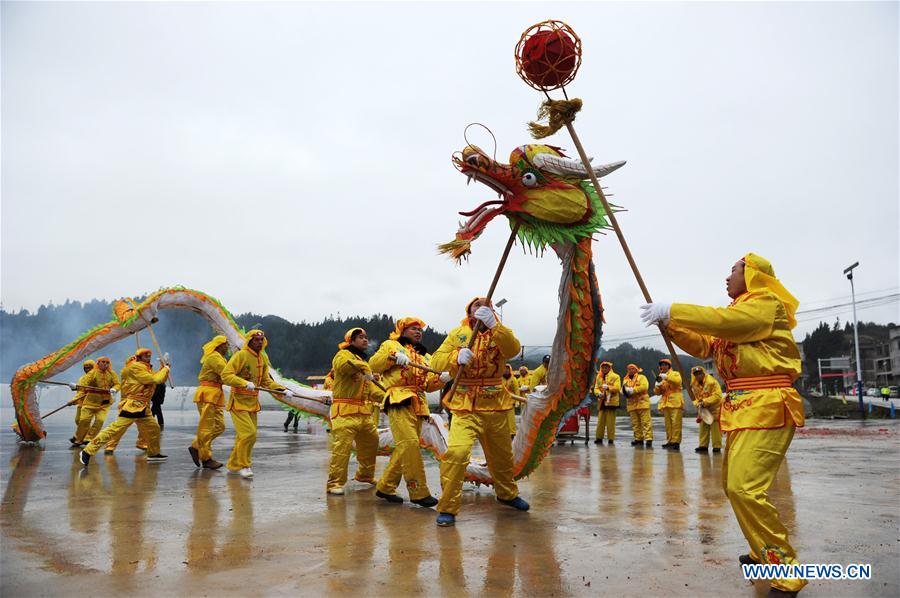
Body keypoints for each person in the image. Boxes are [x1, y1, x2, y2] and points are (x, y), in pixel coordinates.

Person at [641, 252, 807, 596]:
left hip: (767, 404)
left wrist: (673, 309)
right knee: (734, 486)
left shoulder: (765, 305)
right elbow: (707, 343)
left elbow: (720, 324)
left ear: (754, 275)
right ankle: (763, 553)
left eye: (733, 270)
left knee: (746, 487)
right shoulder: (740, 314)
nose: (727, 277)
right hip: (745, 408)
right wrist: (670, 326)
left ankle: (785, 567)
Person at [431, 297, 530, 527]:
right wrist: (455, 357)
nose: (483, 307)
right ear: (469, 311)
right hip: (465, 404)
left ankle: (507, 494)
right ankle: (447, 508)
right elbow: (436, 361)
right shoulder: (458, 334)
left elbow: (513, 349)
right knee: (456, 453)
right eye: (478, 305)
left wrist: (495, 327)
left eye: (488, 305)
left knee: (502, 456)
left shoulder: (501, 331)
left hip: (495, 402)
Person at [370, 317, 448, 507]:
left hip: (419, 404)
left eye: (420, 329)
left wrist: (443, 379)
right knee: (410, 444)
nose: (418, 332)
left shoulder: (425, 357)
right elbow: (373, 364)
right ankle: (418, 492)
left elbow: (428, 385)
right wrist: (393, 357)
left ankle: (386, 486)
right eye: (413, 329)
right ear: (403, 331)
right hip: (398, 398)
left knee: (407, 446)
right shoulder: (390, 344)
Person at [80, 348, 170, 466]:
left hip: (144, 407)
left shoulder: (145, 368)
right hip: (133, 405)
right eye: (145, 356)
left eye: (149, 356)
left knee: (154, 429)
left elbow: (159, 378)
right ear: (137, 358)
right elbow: (154, 379)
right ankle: (87, 451)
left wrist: (163, 367)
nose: (148, 357)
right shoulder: (135, 368)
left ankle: (153, 454)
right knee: (115, 429)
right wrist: (166, 369)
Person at [221, 329, 290, 479]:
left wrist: (283, 389)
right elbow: (226, 375)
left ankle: (233, 465)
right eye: (256, 340)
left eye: (261, 340)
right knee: (248, 434)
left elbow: (266, 381)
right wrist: (244, 383)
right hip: (238, 402)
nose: (259, 342)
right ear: (250, 341)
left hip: (252, 403)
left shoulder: (262, 359)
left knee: (244, 436)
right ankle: (245, 465)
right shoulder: (241, 356)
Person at [326, 327, 382, 495]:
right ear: (351, 341)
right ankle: (334, 483)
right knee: (342, 447)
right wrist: (364, 366)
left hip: (362, 411)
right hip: (344, 410)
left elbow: (371, 389)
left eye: (366, 337)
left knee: (372, 441)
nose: (365, 340)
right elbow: (343, 367)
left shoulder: (362, 362)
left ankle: (365, 475)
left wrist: (389, 398)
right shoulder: (343, 355)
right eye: (360, 337)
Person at [189, 335, 229, 469]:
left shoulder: (221, 358)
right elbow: (227, 374)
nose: (227, 346)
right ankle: (206, 459)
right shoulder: (214, 357)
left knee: (220, 426)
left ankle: (196, 446)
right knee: (206, 427)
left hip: (215, 394)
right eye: (226, 344)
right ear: (219, 345)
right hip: (208, 394)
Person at [104, 355, 149, 454]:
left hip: (140, 404)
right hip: (128, 404)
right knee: (121, 427)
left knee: (145, 426)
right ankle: (110, 446)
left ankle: (142, 443)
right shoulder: (126, 371)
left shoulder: (140, 371)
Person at [73, 356, 120, 446]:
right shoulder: (92, 373)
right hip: (90, 402)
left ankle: (88, 438)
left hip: (104, 403)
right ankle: (78, 439)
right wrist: (76, 387)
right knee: (83, 420)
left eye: (107, 362)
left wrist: (114, 389)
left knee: (100, 420)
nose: (105, 364)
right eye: (103, 362)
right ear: (98, 363)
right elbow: (83, 384)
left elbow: (117, 384)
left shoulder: (112, 374)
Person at [691, 366, 723, 453]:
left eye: (699, 374)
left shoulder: (712, 382)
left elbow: (718, 396)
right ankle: (703, 446)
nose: (698, 376)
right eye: (696, 374)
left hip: (714, 409)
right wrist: (697, 404)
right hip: (703, 410)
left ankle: (717, 447)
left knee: (716, 429)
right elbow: (695, 398)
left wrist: (705, 402)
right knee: (703, 427)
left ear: (703, 373)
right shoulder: (694, 385)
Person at [654, 358, 683, 450]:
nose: (663, 366)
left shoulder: (675, 373)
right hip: (666, 403)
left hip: (675, 401)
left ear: (669, 366)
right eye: (661, 365)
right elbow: (657, 393)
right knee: (668, 424)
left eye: (665, 365)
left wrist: (666, 377)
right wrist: (657, 386)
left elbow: (677, 381)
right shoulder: (660, 377)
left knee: (676, 423)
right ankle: (670, 441)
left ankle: (676, 442)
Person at [623, 364, 652, 447]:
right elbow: (622, 390)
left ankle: (648, 439)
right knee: (635, 423)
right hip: (632, 404)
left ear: (636, 370)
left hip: (642, 403)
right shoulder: (625, 380)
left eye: (633, 369)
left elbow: (645, 387)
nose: (631, 370)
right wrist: (626, 391)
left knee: (646, 422)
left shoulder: (642, 377)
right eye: (629, 369)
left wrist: (634, 390)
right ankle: (638, 439)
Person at [593, 361, 621, 445]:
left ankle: (610, 439)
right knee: (600, 421)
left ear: (610, 368)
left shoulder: (616, 376)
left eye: (606, 367)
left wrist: (608, 387)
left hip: (611, 402)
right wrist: (598, 393)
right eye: (603, 367)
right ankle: (599, 438)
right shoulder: (599, 376)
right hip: (601, 401)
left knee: (610, 422)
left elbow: (617, 388)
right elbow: (596, 388)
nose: (604, 369)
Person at [68, 359, 95, 446]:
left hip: (91, 404)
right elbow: (80, 392)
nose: (87, 369)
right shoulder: (82, 379)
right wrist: (74, 400)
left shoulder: (96, 378)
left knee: (84, 421)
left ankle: (82, 438)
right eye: (85, 368)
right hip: (81, 403)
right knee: (78, 421)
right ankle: (85, 437)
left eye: (89, 367)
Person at [502, 364, 520, 438]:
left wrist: (517, 401)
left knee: (511, 418)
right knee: (502, 418)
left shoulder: (513, 379)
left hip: (510, 402)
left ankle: (512, 433)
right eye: (504, 369)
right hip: (501, 402)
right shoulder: (499, 379)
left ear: (510, 370)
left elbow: (516, 391)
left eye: (507, 369)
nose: (506, 370)